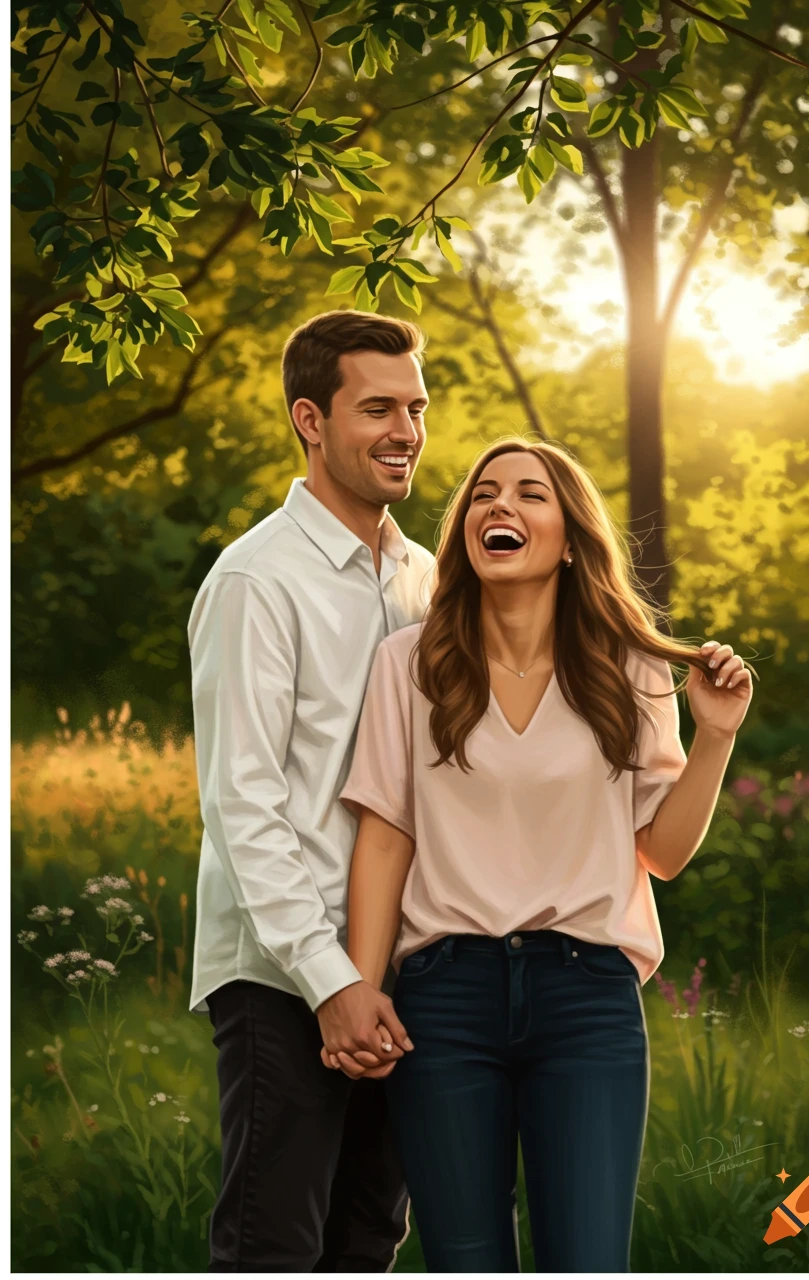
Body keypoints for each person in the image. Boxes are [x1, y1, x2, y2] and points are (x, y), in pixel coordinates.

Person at [333, 436, 755, 1272]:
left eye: (531, 494)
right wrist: (358, 989)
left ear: (570, 536)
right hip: (443, 1003)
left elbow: (662, 855)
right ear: (464, 533)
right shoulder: (409, 664)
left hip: (586, 1002)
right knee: (465, 1260)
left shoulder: (630, 669)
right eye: (485, 494)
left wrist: (715, 737)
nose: (501, 507)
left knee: (588, 1260)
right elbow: (385, 839)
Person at [187, 309, 436, 1272]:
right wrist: (331, 982)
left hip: (405, 971)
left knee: (368, 1239)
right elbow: (242, 801)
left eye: (415, 407)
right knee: (273, 1247)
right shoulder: (257, 580)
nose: (405, 431)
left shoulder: (426, 579)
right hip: (286, 977)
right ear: (310, 419)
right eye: (377, 407)